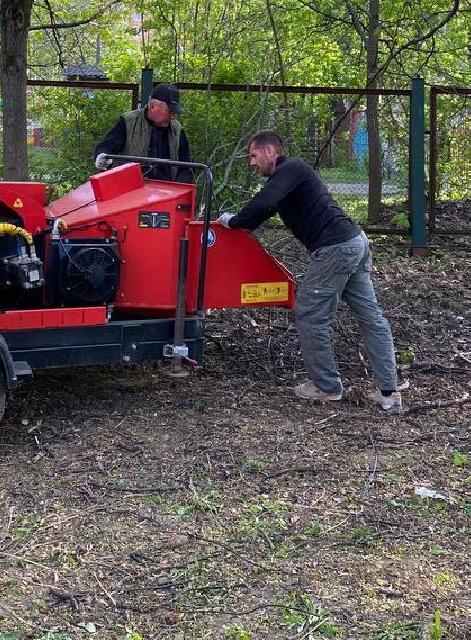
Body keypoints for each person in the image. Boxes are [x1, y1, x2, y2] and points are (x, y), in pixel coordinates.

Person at [216, 130, 403, 411]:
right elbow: (265, 208)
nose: (251, 163)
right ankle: (389, 391)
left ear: (270, 151)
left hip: (336, 248)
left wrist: (233, 222)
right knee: (370, 316)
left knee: (309, 314)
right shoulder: (286, 179)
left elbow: (264, 203)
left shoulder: (292, 167)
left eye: (253, 156)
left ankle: (326, 386)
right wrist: (242, 221)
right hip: (354, 243)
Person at [95, 83, 194, 183]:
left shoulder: (177, 130)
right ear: (152, 106)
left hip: (166, 194)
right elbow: (108, 146)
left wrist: (181, 186)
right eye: (170, 111)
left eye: (175, 112)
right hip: (131, 191)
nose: (173, 116)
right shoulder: (128, 122)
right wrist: (102, 156)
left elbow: (186, 165)